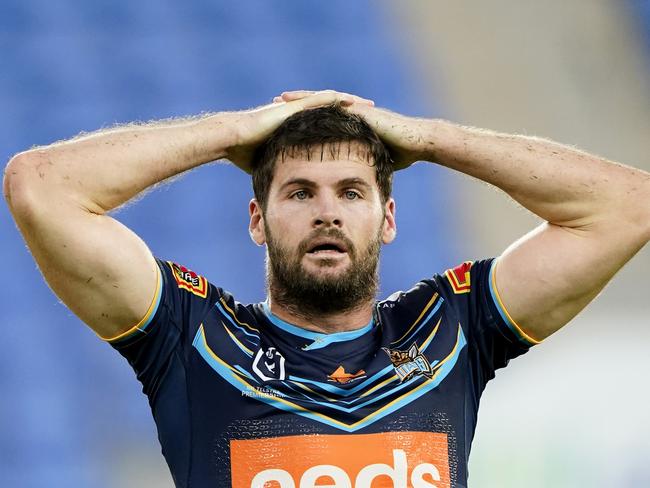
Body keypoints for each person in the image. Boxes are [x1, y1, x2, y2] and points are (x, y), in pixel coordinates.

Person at [4, 89, 649, 488]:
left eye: (352, 192)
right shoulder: (193, 339)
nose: (327, 213)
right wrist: (238, 130)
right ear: (257, 220)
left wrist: (427, 138)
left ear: (388, 218)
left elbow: (628, 205)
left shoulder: (452, 330)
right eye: (298, 193)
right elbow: (40, 186)